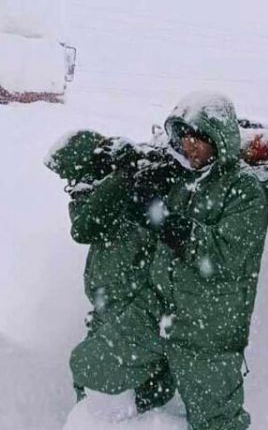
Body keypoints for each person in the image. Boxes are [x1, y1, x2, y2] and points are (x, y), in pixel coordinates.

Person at [70, 94, 268, 430]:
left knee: (219, 426)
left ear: (219, 138)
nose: (190, 145)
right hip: (156, 307)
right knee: (92, 365)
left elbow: (225, 255)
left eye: (199, 136)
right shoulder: (177, 176)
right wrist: (131, 182)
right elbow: (91, 226)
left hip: (208, 324)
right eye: (184, 136)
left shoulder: (244, 189)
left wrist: (168, 222)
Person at [46, 131, 179, 407]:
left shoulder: (126, 197)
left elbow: (85, 228)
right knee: (89, 382)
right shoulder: (106, 199)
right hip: (112, 313)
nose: (72, 188)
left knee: (97, 375)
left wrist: (125, 176)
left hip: (137, 317)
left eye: (75, 178)